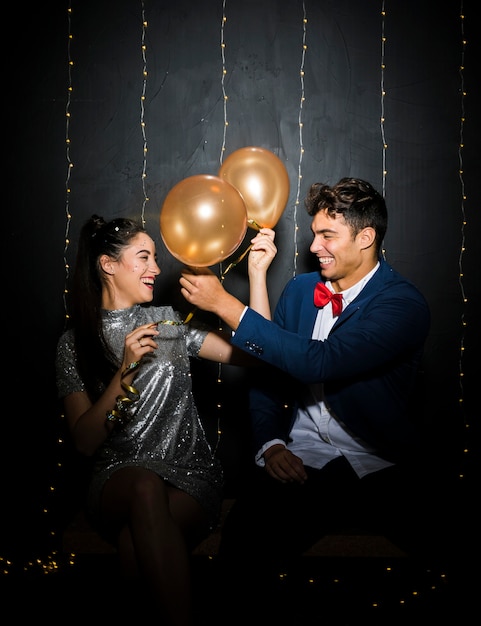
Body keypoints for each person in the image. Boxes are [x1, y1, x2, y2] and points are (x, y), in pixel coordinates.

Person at [179, 177, 432, 617]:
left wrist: (225, 306)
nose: (314, 246)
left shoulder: (402, 305)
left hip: (378, 464)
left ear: (366, 237)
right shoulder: (299, 292)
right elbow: (269, 375)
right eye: (315, 233)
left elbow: (321, 361)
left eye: (327, 235)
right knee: (243, 543)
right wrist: (271, 443)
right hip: (303, 458)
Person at [55, 214, 276, 626]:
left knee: (132, 543)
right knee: (143, 484)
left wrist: (258, 273)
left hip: (190, 475)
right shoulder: (74, 344)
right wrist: (125, 372)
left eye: (155, 257)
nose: (156, 269)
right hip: (117, 479)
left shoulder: (168, 324)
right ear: (108, 265)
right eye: (144, 257)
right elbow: (84, 443)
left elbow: (255, 354)